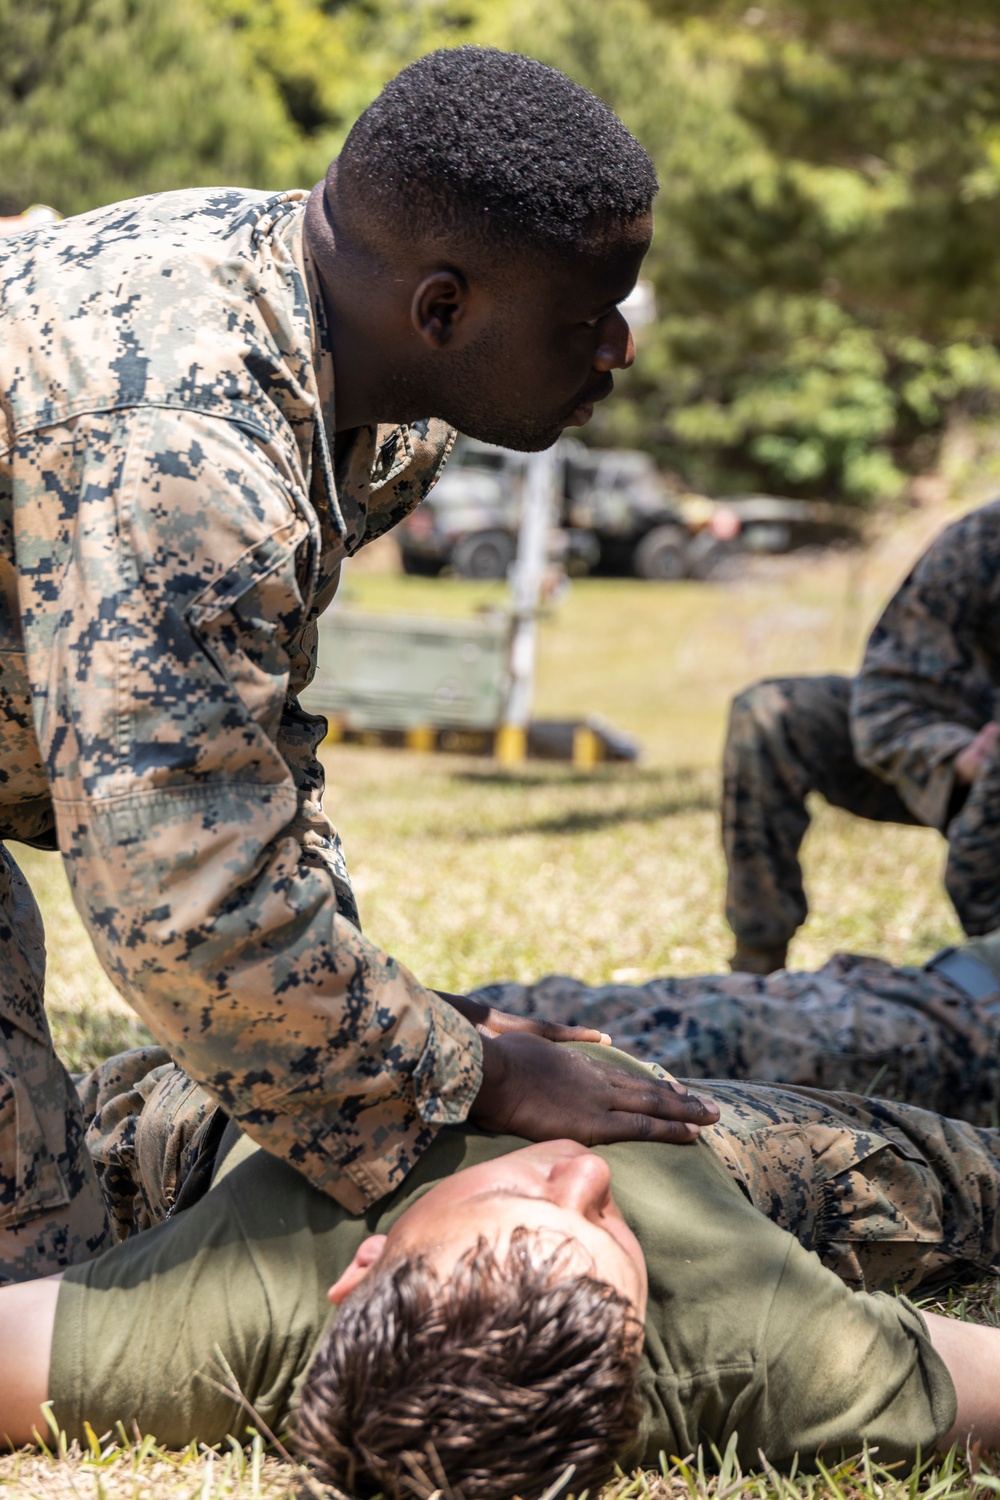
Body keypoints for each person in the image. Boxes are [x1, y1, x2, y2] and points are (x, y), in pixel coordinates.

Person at [0, 46, 718, 1281]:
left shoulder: (342, 358)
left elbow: (240, 757)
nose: (618, 350)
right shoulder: (186, 449)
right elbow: (185, 906)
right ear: (443, 311)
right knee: (39, 1285)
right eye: (582, 318)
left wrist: (404, 1026)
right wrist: (472, 1074)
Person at [2, 1044, 1000, 1499]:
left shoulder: (222, 1310)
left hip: (297, 1070)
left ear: (359, 1270)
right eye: (609, 1228)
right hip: (681, 1124)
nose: (582, 1171)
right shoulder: (753, 1350)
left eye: (522, 1204)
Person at [722, 499, 1000, 974]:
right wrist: (954, 758)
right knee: (769, 714)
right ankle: (757, 965)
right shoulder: (984, 539)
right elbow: (889, 698)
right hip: (954, 752)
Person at [471, 925, 1000, 1123]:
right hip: (898, 981)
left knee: (701, 1037)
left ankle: (441, 1098)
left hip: (963, 1037)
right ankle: (417, 1033)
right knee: (558, 1006)